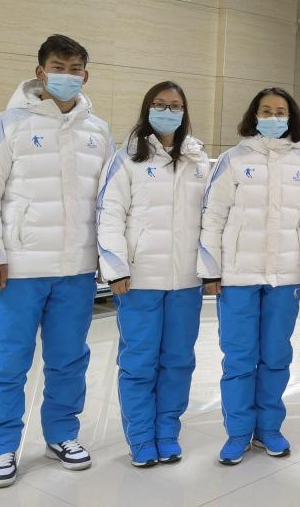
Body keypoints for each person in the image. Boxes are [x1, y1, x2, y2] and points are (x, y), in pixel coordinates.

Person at [0, 35, 114, 488]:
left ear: (86, 75)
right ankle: (1, 446)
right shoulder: (7, 124)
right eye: (58, 67)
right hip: (18, 271)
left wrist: (105, 259)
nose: (66, 75)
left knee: (69, 360)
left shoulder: (98, 131)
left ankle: (62, 434)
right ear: (40, 72)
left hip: (76, 271)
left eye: (75, 68)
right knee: (7, 362)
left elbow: (109, 202)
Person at [198, 88, 300, 466]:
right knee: (239, 357)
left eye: (280, 111)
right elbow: (213, 215)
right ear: (254, 116)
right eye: (266, 111)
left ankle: (268, 429)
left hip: (284, 276)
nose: (273, 117)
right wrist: (210, 270)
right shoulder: (233, 159)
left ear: (291, 117)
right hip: (238, 275)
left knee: (276, 355)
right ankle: (237, 433)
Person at [96, 81, 208, 467]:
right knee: (140, 362)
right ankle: (141, 438)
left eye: (175, 105)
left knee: (178, 361)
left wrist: (210, 269)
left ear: (185, 112)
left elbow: (211, 218)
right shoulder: (126, 159)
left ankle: (167, 433)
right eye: (159, 104)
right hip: (139, 280)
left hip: (186, 281)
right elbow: (109, 214)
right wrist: (115, 268)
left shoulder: (198, 161)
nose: (167, 111)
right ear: (147, 109)